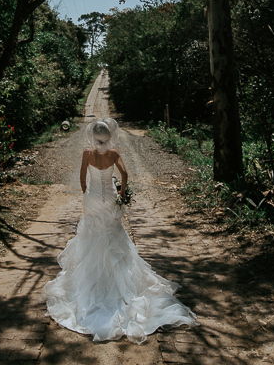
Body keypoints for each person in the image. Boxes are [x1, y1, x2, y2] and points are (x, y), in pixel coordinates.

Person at [44, 118, 199, 343]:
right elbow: (124, 174)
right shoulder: (114, 154)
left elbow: (81, 178)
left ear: (93, 135)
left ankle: (92, 279)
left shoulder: (87, 154)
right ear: (109, 136)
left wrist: (87, 193)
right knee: (112, 234)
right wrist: (122, 193)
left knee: (92, 235)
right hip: (110, 199)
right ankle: (116, 280)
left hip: (93, 199)